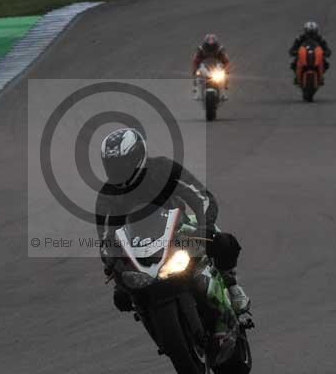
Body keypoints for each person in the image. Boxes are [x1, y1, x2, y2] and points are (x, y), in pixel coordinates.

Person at [95, 128, 252, 327]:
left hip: (179, 233)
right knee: (122, 296)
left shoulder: (162, 169)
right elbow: (106, 235)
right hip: (138, 249)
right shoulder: (107, 196)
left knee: (222, 241)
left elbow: (201, 196)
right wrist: (112, 260)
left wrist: (204, 226)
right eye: (112, 165)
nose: (117, 170)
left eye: (122, 163)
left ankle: (232, 285)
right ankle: (154, 322)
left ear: (137, 156)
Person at [192, 34, 231, 101]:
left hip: (216, 67)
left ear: (215, 44)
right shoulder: (201, 49)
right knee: (198, 76)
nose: (210, 47)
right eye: (208, 45)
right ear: (205, 44)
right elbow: (196, 60)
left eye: (212, 45)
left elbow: (226, 60)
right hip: (204, 67)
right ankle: (197, 93)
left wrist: (226, 69)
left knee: (224, 76)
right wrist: (195, 69)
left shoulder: (220, 49)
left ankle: (223, 94)